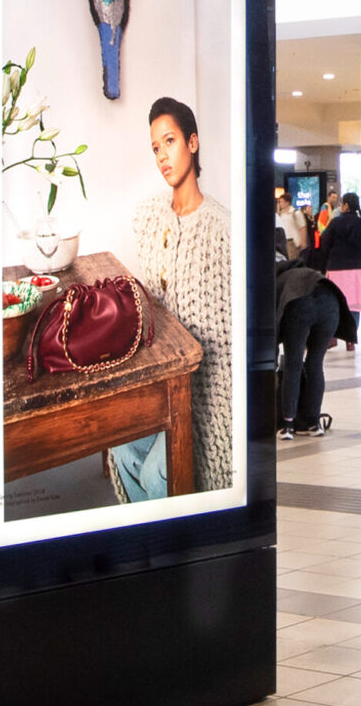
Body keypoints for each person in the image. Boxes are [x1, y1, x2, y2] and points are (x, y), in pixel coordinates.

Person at [110, 98, 233, 502]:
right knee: (120, 448)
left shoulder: (223, 230)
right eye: (155, 148)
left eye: (170, 141)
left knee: (157, 470)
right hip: (158, 388)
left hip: (203, 397)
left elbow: (228, 342)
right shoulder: (148, 217)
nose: (163, 156)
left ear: (193, 143)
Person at [275, 256, 355, 439]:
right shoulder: (305, 272)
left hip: (300, 304)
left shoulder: (278, 280)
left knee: (293, 364)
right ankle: (312, 423)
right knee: (315, 363)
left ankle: (287, 425)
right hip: (330, 302)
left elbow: (274, 322)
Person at [314, 191, 361, 353]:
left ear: (346, 206)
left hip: (337, 267)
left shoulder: (336, 222)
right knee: (354, 305)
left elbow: (325, 241)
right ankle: (350, 340)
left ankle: (332, 337)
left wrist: (331, 254)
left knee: (334, 303)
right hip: (357, 268)